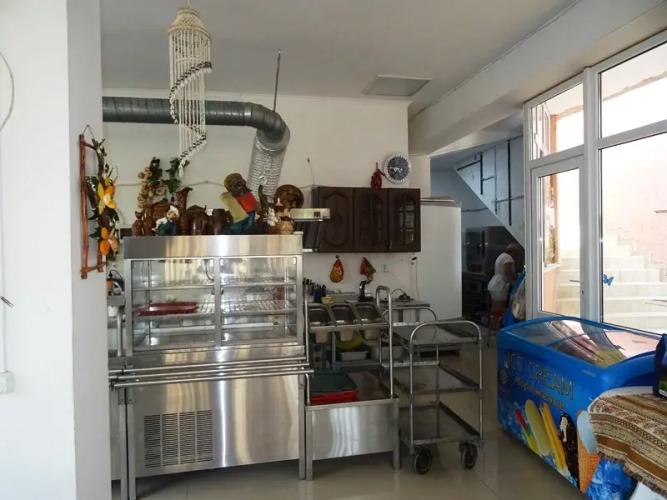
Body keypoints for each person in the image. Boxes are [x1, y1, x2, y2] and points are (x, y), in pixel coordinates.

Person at [488, 243, 522, 333]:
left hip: (494, 284)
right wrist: (516, 279)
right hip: (500, 285)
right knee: (498, 309)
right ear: (514, 252)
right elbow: (507, 272)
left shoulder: (502, 255)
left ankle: (493, 328)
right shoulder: (508, 258)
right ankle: (497, 329)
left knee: (494, 308)